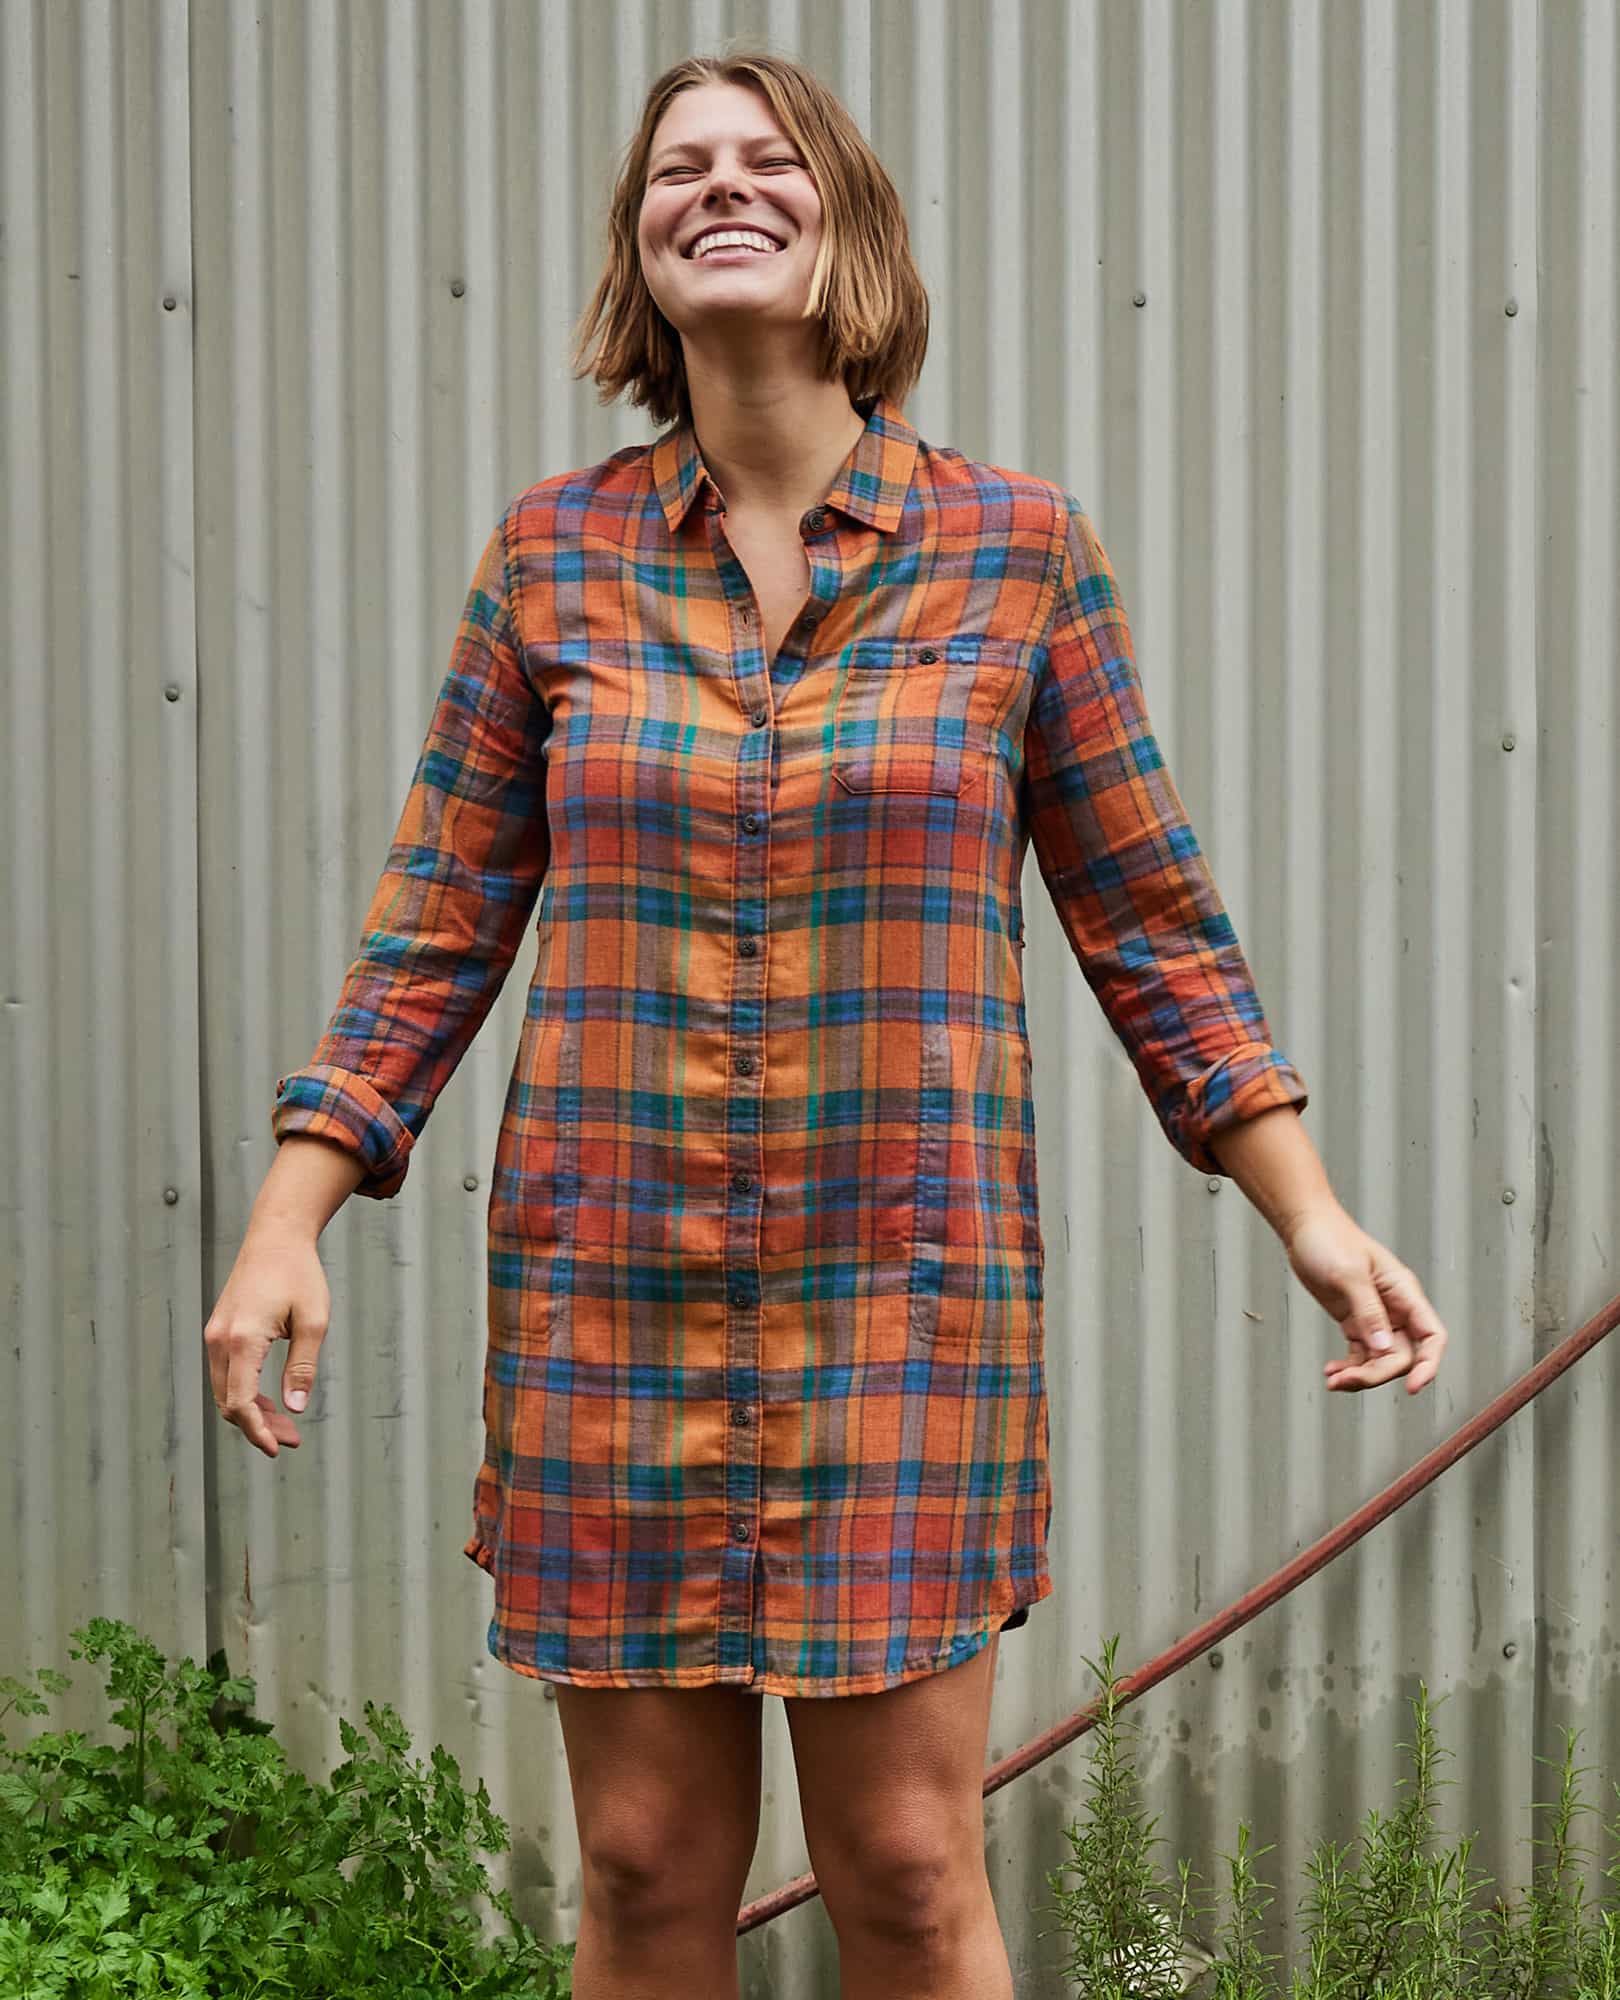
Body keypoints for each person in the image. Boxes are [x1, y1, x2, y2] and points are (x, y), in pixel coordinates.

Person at [204, 47, 1450, 2000]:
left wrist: (1311, 1213)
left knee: (906, 1869)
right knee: (639, 1870)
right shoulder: (552, 561)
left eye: (764, 156)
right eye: (675, 167)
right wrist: (287, 1222)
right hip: (614, 1292)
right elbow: (433, 922)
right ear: (639, 247)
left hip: (902, 1294)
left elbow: (1152, 921)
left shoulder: (1019, 553)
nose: (717, 182)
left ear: (846, 223)